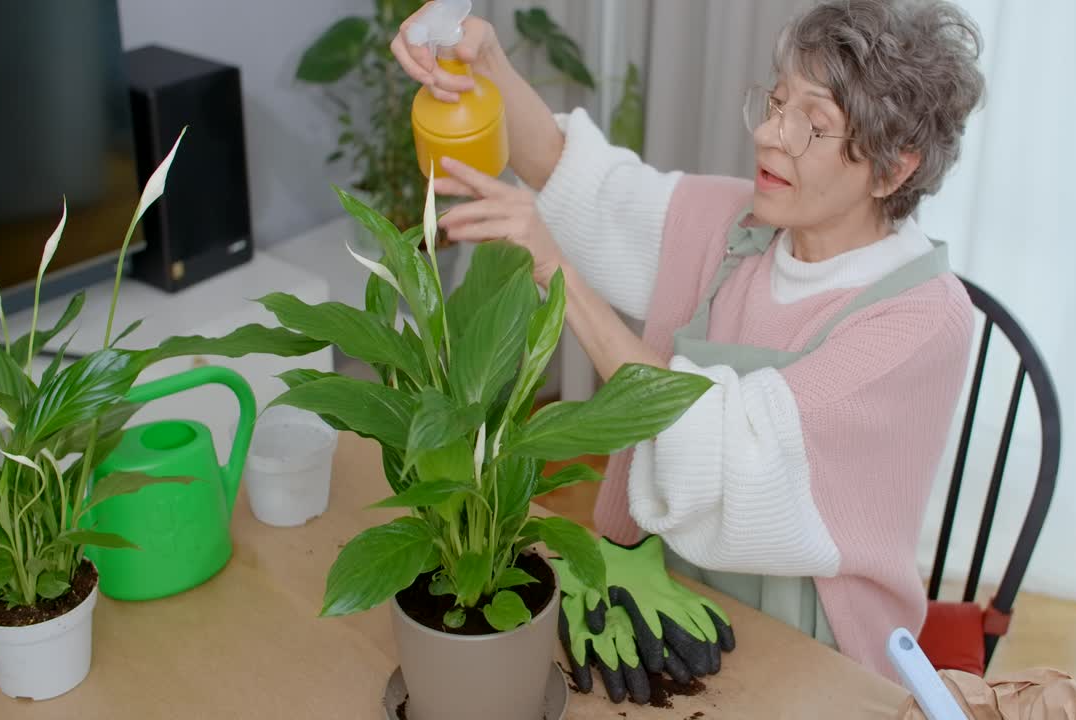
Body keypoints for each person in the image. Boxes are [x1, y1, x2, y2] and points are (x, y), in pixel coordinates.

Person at [393, 0, 986, 681]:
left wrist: (554, 268)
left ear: (893, 168)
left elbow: (735, 445)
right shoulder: (737, 224)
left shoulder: (922, 319)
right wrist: (485, 62)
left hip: (816, 647)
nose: (769, 134)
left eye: (812, 125)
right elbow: (575, 180)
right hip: (652, 580)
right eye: (776, 100)